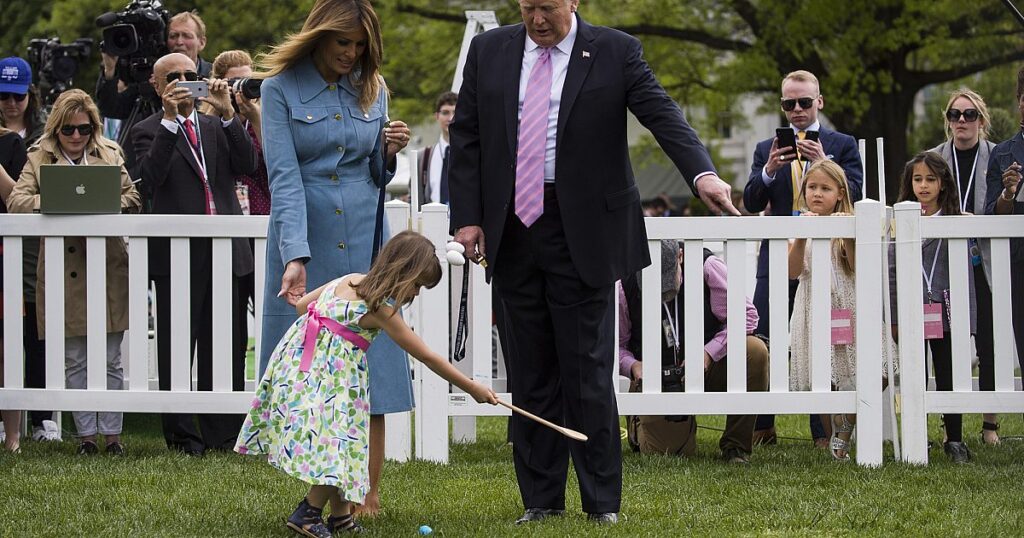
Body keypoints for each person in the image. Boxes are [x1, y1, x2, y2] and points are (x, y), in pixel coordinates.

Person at [448, 0, 738, 524]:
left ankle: (602, 505)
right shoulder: (489, 51)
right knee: (531, 375)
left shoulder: (615, 50)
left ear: (573, 2)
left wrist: (702, 175)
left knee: (586, 375)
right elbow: (466, 135)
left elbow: (662, 115)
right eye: (528, 7)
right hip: (512, 230)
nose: (538, 19)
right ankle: (541, 503)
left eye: (548, 7)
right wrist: (468, 216)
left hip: (583, 232)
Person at [256, 0, 413, 517]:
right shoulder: (278, 90)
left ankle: (366, 495)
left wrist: (387, 152)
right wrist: (294, 255)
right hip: (310, 234)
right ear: (319, 36)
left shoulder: (376, 88)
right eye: (343, 42)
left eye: (360, 45)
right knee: (322, 373)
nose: (352, 53)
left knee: (372, 361)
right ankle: (327, 493)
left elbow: (373, 172)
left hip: (367, 238)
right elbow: (283, 177)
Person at [236, 231, 497, 537]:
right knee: (336, 446)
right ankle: (308, 512)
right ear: (404, 273)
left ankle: (341, 517)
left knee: (341, 445)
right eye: (416, 285)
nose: (415, 294)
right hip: (329, 378)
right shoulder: (380, 309)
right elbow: (425, 356)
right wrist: (471, 387)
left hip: (298, 366)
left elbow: (302, 306)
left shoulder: (349, 279)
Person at [131, 52, 258, 456]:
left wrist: (227, 116)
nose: (183, 81)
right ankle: (184, 436)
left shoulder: (214, 125)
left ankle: (223, 434)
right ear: (157, 85)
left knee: (227, 343)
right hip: (177, 251)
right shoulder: (148, 129)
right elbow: (149, 182)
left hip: (226, 247)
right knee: (176, 346)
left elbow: (248, 164)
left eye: (190, 74)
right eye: (173, 76)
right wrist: (170, 121)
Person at [6, 89, 142, 455]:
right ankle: (85, 437)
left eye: (84, 128)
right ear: (56, 128)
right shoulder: (38, 156)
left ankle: (112, 435)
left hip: (109, 264)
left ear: (94, 126)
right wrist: (59, 202)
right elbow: (16, 200)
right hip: (62, 266)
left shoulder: (110, 152)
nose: (77, 136)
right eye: (69, 129)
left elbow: (132, 197)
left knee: (112, 357)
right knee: (75, 358)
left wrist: (100, 203)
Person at [743, 69, 864, 447]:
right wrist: (768, 172)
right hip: (777, 257)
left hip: (826, 259)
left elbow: (857, 194)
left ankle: (821, 431)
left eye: (804, 102)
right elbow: (749, 202)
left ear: (819, 102)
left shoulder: (841, 144)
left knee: (821, 337)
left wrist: (826, 162)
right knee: (767, 338)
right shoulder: (767, 148)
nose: (796, 109)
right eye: (788, 103)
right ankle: (763, 425)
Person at [619, 240, 768, 463]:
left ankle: (736, 446)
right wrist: (633, 366)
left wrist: (708, 353)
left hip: (710, 365)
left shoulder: (708, 266)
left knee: (754, 351)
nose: (662, 293)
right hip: (657, 378)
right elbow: (615, 344)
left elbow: (746, 317)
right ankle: (641, 425)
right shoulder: (624, 283)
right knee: (667, 452)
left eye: (668, 282)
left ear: (680, 256)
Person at [788, 160, 895, 461]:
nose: (817, 194)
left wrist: (846, 230)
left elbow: (857, 264)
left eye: (825, 188)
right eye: (812, 187)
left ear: (839, 193)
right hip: (813, 308)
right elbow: (793, 271)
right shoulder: (798, 223)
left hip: (848, 306)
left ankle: (845, 424)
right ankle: (837, 444)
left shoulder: (850, 222)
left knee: (882, 363)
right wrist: (800, 235)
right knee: (823, 375)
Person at [889, 152, 976, 463]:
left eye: (930, 179)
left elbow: (967, 275)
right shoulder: (897, 221)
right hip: (912, 311)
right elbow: (892, 273)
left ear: (943, 184)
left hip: (947, 310)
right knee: (915, 374)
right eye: (917, 179)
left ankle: (954, 439)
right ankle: (917, 436)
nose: (923, 186)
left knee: (948, 373)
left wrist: (970, 320)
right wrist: (895, 317)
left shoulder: (956, 221)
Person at [927, 88, 1001, 446]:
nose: (961, 121)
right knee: (946, 345)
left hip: (983, 262)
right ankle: (948, 423)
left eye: (969, 114)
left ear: (981, 121)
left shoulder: (997, 156)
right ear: (947, 121)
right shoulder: (933, 159)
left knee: (988, 341)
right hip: (943, 263)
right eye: (955, 114)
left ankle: (990, 425)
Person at [0, 56, 56, 443]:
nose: (10, 103)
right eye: (3, 95)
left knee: (35, 324)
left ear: (30, 94)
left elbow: (16, 196)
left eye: (17, 95)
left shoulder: (35, 134)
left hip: (28, 237)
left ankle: (39, 417)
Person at [208, 50, 270, 372]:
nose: (241, 89)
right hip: (229, 232)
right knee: (231, 324)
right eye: (234, 82)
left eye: (249, 81)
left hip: (264, 228)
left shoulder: (268, 117)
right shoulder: (210, 120)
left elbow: (277, 167)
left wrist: (256, 116)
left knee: (270, 317)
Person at [97, 10, 215, 177]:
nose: (179, 42)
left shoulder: (213, 74)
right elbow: (111, 109)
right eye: (173, 36)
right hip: (153, 164)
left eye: (186, 35)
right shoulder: (151, 77)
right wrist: (109, 70)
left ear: (201, 42)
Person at [984, 65, 1024, 391]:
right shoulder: (1003, 154)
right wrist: (1007, 194)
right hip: (1019, 261)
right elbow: (991, 215)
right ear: (1019, 102)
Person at [0, 123, 27, 452]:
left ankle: (13, 437)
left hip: (4, 252)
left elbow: (15, 199)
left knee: (7, 350)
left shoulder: (10, 143)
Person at [417, 91, 457, 207]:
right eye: (445, 113)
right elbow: (415, 196)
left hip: (464, 223)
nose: (450, 118)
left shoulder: (472, 153)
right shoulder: (423, 156)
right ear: (437, 116)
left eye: (455, 112)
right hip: (431, 221)